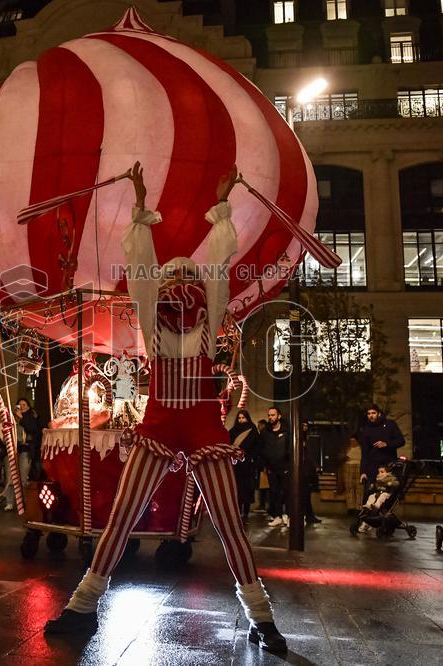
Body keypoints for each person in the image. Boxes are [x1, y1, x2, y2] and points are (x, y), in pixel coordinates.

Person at [45, 163, 287, 653]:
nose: (180, 281)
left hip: (202, 425)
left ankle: (261, 616)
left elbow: (217, 263)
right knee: (120, 518)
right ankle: (82, 606)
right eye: (171, 275)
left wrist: (222, 208)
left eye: (187, 275)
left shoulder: (210, 312)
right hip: (157, 424)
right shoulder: (150, 312)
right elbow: (141, 270)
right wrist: (139, 205)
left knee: (228, 523)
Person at [353, 404, 405, 486]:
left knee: (389, 493)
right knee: (370, 493)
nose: (371, 416)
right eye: (369, 414)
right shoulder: (366, 429)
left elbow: (401, 441)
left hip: (388, 464)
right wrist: (363, 472)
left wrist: (386, 444)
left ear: (379, 413)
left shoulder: (390, 424)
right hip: (373, 466)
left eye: (373, 413)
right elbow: (365, 452)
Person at [4, 398, 40, 511]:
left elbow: (33, 430)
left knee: (23, 478)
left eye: (24, 405)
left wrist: (22, 418)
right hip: (11, 449)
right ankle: (9, 502)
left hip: (25, 450)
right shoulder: (11, 417)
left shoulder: (32, 417)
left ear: (28, 406)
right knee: (10, 477)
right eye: (19, 405)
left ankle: (23, 502)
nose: (22, 407)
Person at [259, 406, 290, 528]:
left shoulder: (287, 431)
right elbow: (261, 449)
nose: (271, 417)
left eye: (273, 415)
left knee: (287, 492)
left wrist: (289, 464)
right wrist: (265, 465)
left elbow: (290, 449)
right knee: (274, 492)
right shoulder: (265, 432)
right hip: (272, 467)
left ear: (279, 416)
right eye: (269, 415)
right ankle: (277, 516)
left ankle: (288, 516)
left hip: (285, 467)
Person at [229, 410, 258, 521]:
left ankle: (245, 514)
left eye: (243, 418)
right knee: (237, 489)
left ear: (247, 418)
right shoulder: (233, 431)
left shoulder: (252, 430)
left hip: (247, 465)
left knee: (247, 489)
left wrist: (251, 458)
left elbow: (257, 446)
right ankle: (237, 513)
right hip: (236, 465)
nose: (241, 420)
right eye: (239, 418)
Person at [357, 464, 399, 532]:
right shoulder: (378, 480)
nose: (380, 474)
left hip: (387, 494)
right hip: (379, 493)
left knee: (382, 496)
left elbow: (397, 483)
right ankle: (368, 505)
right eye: (379, 472)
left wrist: (391, 483)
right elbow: (375, 486)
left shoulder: (391, 478)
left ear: (388, 473)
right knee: (372, 496)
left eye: (382, 472)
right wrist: (372, 486)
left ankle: (376, 506)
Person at [300, 422, 322, 525]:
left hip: (307, 471)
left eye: (306, 426)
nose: (304, 428)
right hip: (303, 470)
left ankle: (309, 515)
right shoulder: (300, 439)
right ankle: (308, 515)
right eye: (303, 425)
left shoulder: (308, 439)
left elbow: (310, 455)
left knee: (306, 494)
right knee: (304, 494)